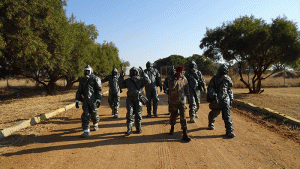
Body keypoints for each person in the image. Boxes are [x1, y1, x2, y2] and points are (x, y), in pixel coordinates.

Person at [119, 66, 150, 135]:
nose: (133, 74)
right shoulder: (128, 81)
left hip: (138, 99)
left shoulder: (141, 80)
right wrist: (121, 76)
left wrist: (144, 74)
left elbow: (148, 82)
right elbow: (121, 85)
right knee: (129, 114)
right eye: (132, 73)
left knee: (138, 114)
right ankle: (129, 129)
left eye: (134, 73)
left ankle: (138, 128)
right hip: (130, 99)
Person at [207, 64, 235, 138]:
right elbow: (210, 88)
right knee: (215, 112)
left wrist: (231, 98)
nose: (224, 72)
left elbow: (229, 89)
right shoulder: (215, 78)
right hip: (217, 99)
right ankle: (211, 122)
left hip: (225, 99)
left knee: (227, 115)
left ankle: (229, 131)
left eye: (225, 71)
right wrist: (214, 95)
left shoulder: (228, 79)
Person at [75, 65, 102, 138]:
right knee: (86, 115)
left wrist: (99, 99)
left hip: (93, 101)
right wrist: (77, 100)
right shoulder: (82, 80)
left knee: (94, 114)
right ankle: (86, 130)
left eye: (88, 71)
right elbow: (79, 90)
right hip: (85, 101)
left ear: (91, 71)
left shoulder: (96, 79)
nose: (86, 72)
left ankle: (95, 124)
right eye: (85, 71)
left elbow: (99, 90)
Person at [169, 66, 191, 142]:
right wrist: (176, 79)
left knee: (183, 116)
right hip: (173, 101)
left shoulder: (184, 79)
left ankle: (185, 134)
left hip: (182, 101)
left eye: (182, 72)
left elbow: (186, 89)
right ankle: (172, 127)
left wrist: (189, 98)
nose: (181, 73)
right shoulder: (171, 78)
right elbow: (171, 87)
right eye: (179, 72)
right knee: (173, 115)